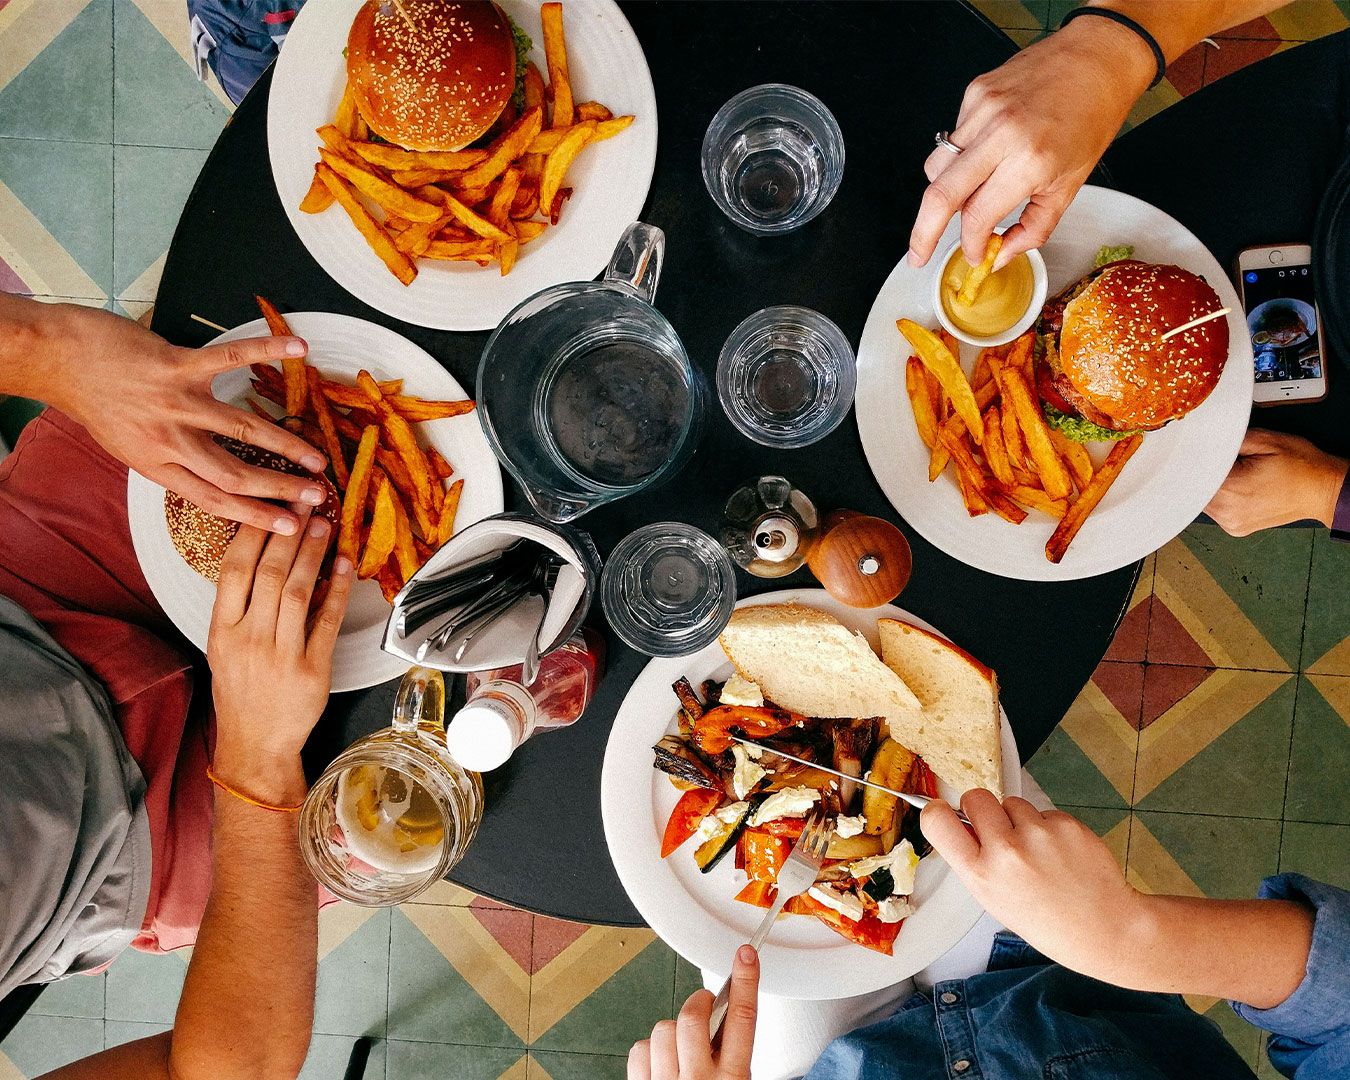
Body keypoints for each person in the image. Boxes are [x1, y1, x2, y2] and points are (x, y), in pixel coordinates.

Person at [905, 0, 1350, 539]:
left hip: (1332, 415)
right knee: (1120, 168)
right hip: (1324, 128)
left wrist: (1331, 494)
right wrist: (1113, 47)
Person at [0, 293, 329, 990]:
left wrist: (48, 352)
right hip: (140, 854)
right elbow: (222, 1065)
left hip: (23, 583)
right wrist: (259, 758)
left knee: (271, 329)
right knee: (488, 723)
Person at [628, 792, 1348, 1080]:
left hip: (835, 1063)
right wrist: (1134, 935)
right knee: (961, 782)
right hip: (1065, 976)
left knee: (728, 906)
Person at [40, 514, 352, 1079]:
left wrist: (98, 417)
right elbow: (231, 1069)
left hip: (25, 601)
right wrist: (258, 755)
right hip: (125, 853)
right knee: (425, 793)